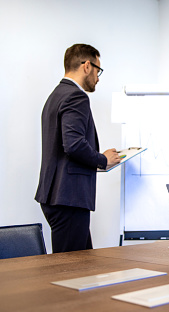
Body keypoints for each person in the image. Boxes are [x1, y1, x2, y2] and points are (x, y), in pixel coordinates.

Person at [35, 44, 121, 253]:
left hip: (57, 196)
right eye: (98, 70)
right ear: (86, 66)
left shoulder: (56, 95)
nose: (98, 78)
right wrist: (103, 160)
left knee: (83, 264)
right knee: (70, 272)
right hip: (69, 198)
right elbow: (73, 144)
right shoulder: (76, 96)